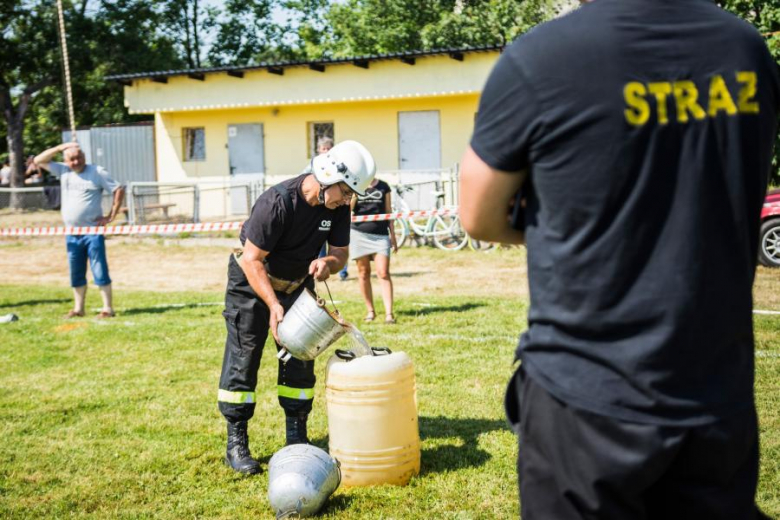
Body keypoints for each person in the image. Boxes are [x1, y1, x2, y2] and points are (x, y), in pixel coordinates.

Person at [459, 1, 779, 519]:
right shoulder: (744, 48)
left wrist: (565, 227)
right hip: (716, 391)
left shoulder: (542, 58)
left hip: (587, 397)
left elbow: (477, 217)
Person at [218, 140, 376, 475]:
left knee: (299, 359)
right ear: (328, 177)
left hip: (295, 286)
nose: (348, 201)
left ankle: (297, 436)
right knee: (244, 356)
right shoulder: (277, 202)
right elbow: (252, 259)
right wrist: (274, 306)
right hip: (251, 284)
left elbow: (340, 254)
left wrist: (328, 264)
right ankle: (237, 442)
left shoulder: (335, 210)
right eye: (347, 193)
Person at [35, 142, 126, 319]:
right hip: (72, 233)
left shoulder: (97, 172)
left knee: (99, 269)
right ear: (65, 160)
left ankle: (108, 309)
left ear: (84, 157)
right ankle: (78, 309)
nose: (76, 162)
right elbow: (39, 160)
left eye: (79, 158)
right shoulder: (63, 171)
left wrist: (111, 216)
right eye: (72, 159)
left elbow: (118, 189)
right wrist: (61, 147)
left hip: (93, 232)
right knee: (76, 271)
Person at [350, 177, 398, 324]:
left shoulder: (384, 186)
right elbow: (350, 208)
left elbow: (388, 211)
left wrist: (393, 235)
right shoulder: (356, 185)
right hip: (358, 234)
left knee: (383, 273)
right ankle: (370, 311)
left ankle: (389, 314)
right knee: (363, 273)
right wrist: (355, 193)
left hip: (381, 234)